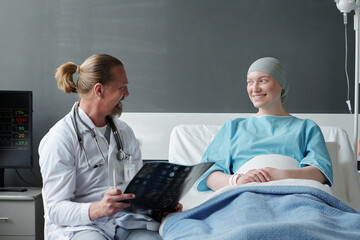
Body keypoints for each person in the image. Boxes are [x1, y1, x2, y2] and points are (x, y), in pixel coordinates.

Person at [39, 54, 181, 240]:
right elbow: (55, 209)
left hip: (125, 222)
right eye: (122, 87)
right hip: (81, 227)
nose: (127, 93)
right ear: (99, 90)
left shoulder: (124, 132)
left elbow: (136, 193)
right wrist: (98, 209)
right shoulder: (60, 138)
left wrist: (158, 206)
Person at [197, 57, 333, 192]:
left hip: (293, 192)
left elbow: (321, 172)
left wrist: (281, 175)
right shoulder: (233, 127)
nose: (254, 89)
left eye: (263, 81)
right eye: (250, 82)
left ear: (281, 85)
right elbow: (207, 174)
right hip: (245, 193)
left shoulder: (306, 128)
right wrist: (237, 180)